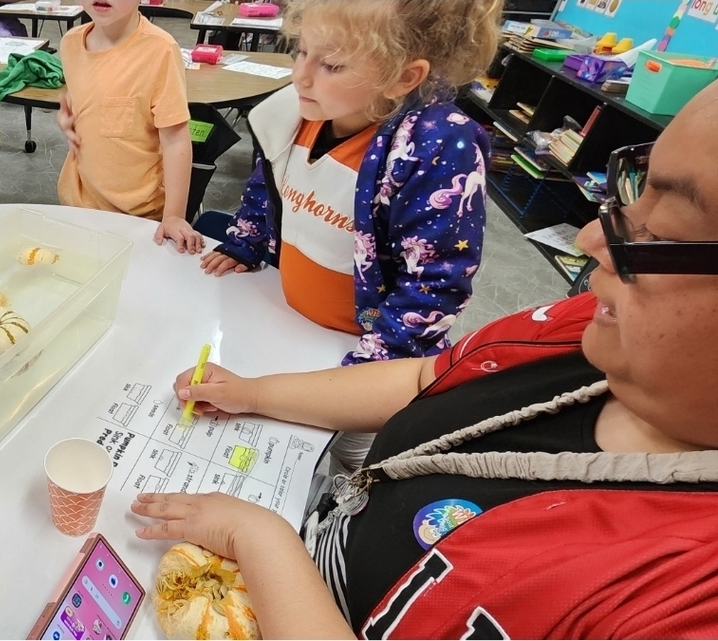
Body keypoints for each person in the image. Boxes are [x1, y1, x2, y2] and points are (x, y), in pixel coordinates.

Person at [131, 80, 718, 639]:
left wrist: (260, 539)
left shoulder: (680, 597)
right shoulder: (579, 332)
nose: (592, 238)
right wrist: (255, 393)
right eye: (636, 191)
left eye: (669, 228)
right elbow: (422, 378)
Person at [200, 0, 500, 367]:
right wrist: (245, 242)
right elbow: (269, 182)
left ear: (403, 78)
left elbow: (435, 281)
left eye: (332, 65)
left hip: (362, 346)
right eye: (302, 51)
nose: (301, 76)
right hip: (284, 319)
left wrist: (370, 366)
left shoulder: (435, 146)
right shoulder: (300, 108)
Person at [55, 0, 203, 254]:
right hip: (78, 203)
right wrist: (67, 118)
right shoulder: (70, 43)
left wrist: (174, 216)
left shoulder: (160, 51)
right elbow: (86, 97)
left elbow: (175, 138)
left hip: (138, 214)